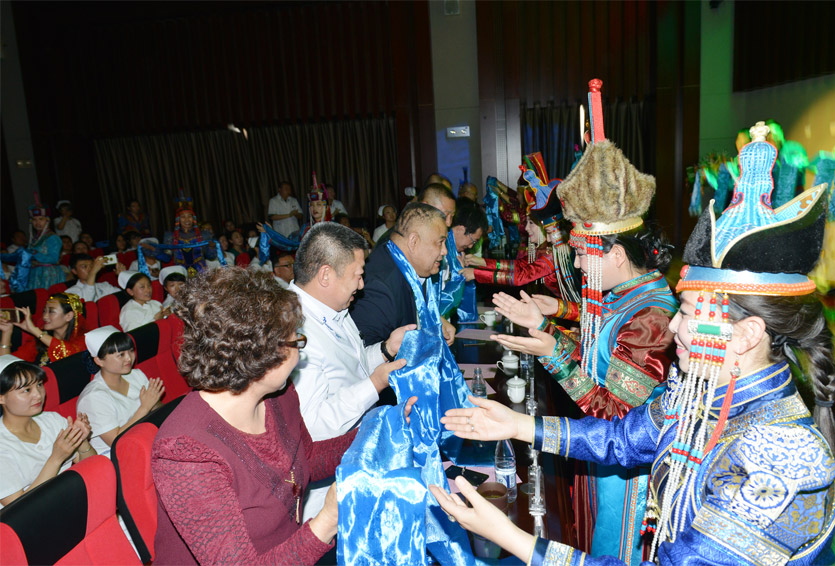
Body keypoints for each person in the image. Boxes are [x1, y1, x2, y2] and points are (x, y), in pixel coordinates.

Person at [431, 120, 835, 566]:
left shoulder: (781, 459)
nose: (673, 326)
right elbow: (621, 439)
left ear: (748, 334)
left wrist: (510, 537)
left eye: (688, 313)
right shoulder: (697, 394)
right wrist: (516, 425)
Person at [487, 81, 678, 564]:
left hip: (627, 475)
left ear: (616, 254)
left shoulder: (652, 316)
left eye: (581, 252)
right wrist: (546, 326)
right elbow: (594, 363)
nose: (573, 263)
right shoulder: (622, 295)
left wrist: (552, 350)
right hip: (600, 459)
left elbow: (616, 414)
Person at [151, 268, 409, 565]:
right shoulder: (186, 452)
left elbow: (307, 459)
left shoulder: (278, 396)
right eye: (296, 341)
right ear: (262, 354)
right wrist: (327, 520)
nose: (300, 351)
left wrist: (379, 431)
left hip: (293, 549)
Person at [289, 223, 413, 520]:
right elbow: (312, 427)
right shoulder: (293, 330)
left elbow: (351, 368)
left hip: (357, 457)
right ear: (326, 275)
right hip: (326, 495)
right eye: (357, 275)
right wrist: (375, 384)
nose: (361, 285)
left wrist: (385, 349)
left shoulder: (334, 308)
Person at [351, 203, 455, 347]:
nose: (444, 251)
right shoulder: (379, 288)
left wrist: (435, 320)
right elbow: (365, 354)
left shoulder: (407, 265)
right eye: (440, 242)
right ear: (413, 241)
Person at [0, 355, 95, 507]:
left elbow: (93, 467)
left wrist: (82, 441)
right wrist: (56, 459)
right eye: (26, 390)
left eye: (39, 385)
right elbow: (18, 509)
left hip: (73, 499)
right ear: (1, 398)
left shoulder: (52, 420)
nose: (38, 395)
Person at [77, 326, 164, 457]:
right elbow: (116, 441)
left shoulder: (136, 375)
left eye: (131, 351)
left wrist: (154, 403)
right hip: (117, 456)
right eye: (121, 355)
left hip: (148, 439)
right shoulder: (93, 397)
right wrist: (145, 408)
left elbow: (158, 409)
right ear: (99, 360)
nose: (129, 358)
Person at [0, 293, 87, 366]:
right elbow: (6, 364)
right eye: (44, 311)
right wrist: (6, 332)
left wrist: (34, 330)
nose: (45, 317)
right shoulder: (39, 341)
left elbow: (67, 353)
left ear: (69, 316)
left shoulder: (83, 339)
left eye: (51, 312)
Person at [159, 201, 216, 274]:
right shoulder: (171, 236)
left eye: (189, 216)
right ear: (178, 219)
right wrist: (154, 250)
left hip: (201, 273)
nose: (187, 219)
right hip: (181, 273)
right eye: (183, 217)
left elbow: (211, 257)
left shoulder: (203, 235)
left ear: (193, 218)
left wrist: (211, 247)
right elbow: (166, 258)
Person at [24, 204, 66, 290]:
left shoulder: (52, 237)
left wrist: (35, 253)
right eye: (34, 220)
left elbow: (53, 258)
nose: (37, 223)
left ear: (47, 220)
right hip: (35, 274)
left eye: (41, 219)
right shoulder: (34, 238)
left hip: (49, 274)